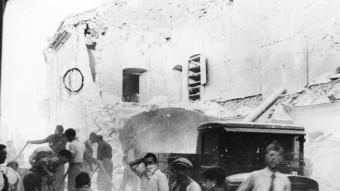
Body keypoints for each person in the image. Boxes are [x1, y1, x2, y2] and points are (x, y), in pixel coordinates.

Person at [27, 125, 67, 191]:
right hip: (50, 161)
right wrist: (31, 142)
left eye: (59, 132)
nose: (57, 133)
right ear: (55, 130)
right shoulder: (51, 137)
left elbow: (71, 140)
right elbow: (42, 141)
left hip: (60, 162)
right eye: (56, 131)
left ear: (62, 132)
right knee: (49, 178)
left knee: (59, 178)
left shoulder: (64, 138)